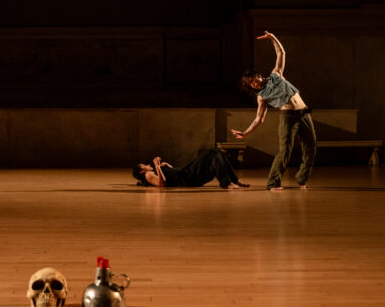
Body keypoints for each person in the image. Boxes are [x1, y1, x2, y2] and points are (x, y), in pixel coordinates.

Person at [231, 31, 316, 190]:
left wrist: (272, 38)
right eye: (250, 85)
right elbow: (259, 118)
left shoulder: (276, 74)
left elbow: (281, 52)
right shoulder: (261, 96)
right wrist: (246, 133)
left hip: (304, 112)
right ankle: (273, 183)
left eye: (253, 80)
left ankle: (302, 178)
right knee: (285, 151)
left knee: (311, 147)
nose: (253, 84)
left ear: (257, 75)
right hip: (288, 117)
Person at [133, 149, 249, 189]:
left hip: (186, 173)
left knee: (217, 155)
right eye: (144, 165)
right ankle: (227, 183)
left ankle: (233, 181)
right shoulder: (148, 175)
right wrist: (158, 167)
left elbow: (172, 173)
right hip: (187, 176)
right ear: (141, 171)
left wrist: (166, 165)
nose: (148, 165)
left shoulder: (153, 171)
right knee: (213, 152)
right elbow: (162, 184)